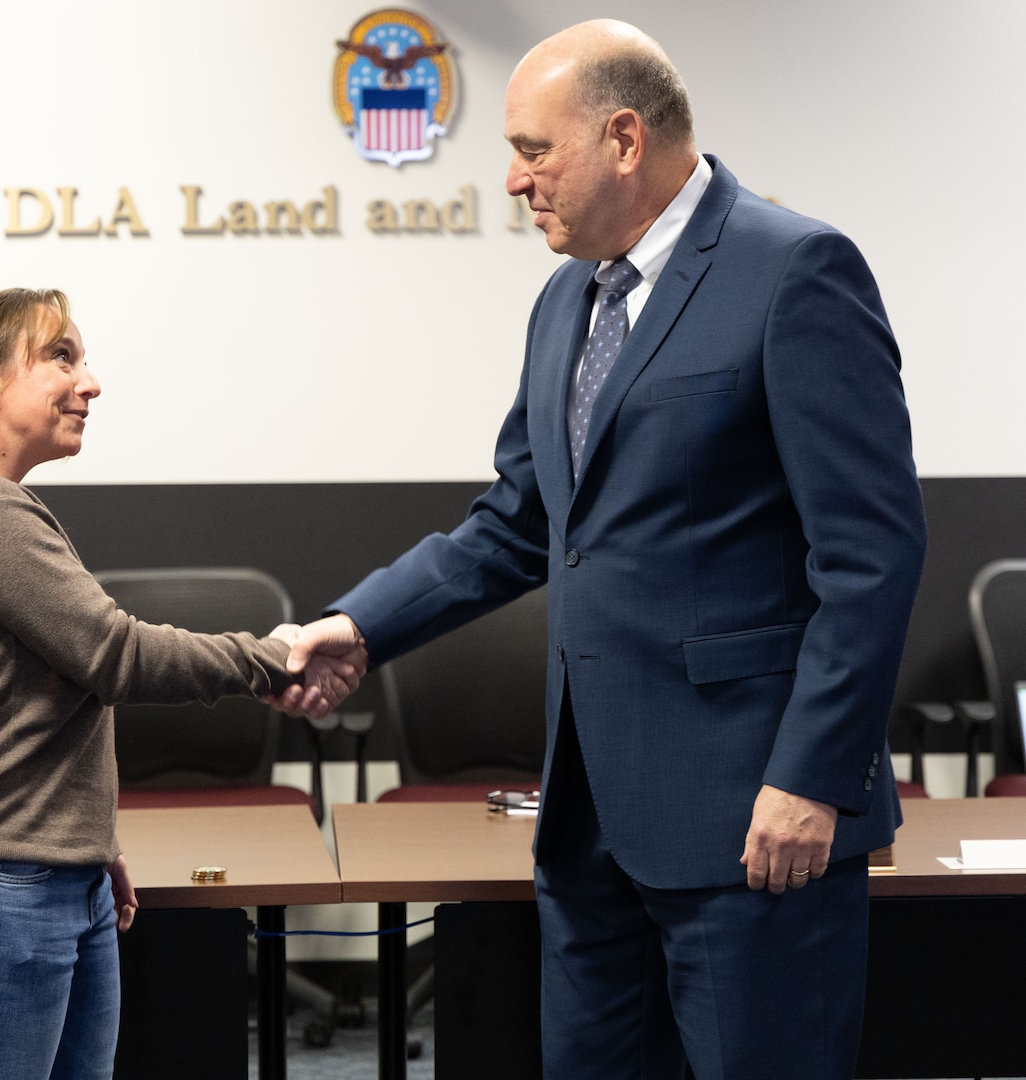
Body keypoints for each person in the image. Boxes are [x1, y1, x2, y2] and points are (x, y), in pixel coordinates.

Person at [274, 19, 926, 1080]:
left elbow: (870, 556)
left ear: (624, 139)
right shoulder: (565, 299)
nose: (515, 181)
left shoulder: (795, 270)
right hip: (589, 833)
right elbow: (520, 521)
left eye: (534, 151)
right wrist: (360, 625)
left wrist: (812, 777)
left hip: (755, 822)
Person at [0, 287, 362, 1080]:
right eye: (60, 357)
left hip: (43, 874)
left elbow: (36, 705)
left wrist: (86, 843)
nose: (90, 383)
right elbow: (117, 655)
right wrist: (273, 655)